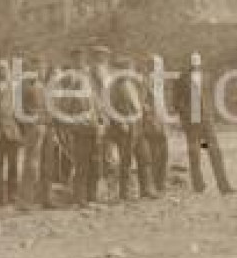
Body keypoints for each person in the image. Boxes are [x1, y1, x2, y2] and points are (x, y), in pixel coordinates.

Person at [171, 51, 234, 194]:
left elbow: (210, 96)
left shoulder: (207, 76)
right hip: (192, 123)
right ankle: (198, 186)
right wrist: (186, 114)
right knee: (195, 153)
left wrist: (211, 112)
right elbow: (176, 101)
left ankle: (224, 186)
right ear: (189, 61)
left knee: (214, 151)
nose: (195, 62)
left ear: (201, 61)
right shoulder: (182, 78)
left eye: (197, 59)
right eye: (192, 59)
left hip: (207, 120)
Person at [57, 46, 105, 207]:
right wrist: (68, 121)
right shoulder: (69, 78)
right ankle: (80, 198)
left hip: (94, 125)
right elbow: (64, 103)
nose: (80, 62)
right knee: (82, 164)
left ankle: (92, 196)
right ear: (72, 61)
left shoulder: (91, 77)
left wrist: (101, 120)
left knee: (96, 162)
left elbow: (98, 101)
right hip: (79, 126)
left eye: (82, 59)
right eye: (76, 59)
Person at [106, 54, 156, 200]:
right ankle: (124, 192)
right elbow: (110, 108)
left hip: (138, 124)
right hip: (125, 127)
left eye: (130, 68)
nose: (130, 71)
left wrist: (143, 107)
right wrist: (121, 122)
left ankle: (146, 189)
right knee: (126, 160)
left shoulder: (133, 84)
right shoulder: (114, 87)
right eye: (127, 68)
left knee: (144, 156)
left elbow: (138, 102)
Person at [0, 59, 22, 206]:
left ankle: (13, 194)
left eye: (4, 69)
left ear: (8, 71)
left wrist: (21, 130)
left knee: (13, 165)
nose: (2, 72)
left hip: (12, 131)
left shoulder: (15, 88)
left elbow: (20, 111)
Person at [16, 60, 49, 209]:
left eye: (42, 68)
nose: (40, 71)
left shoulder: (42, 86)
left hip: (45, 126)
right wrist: (28, 124)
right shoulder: (24, 86)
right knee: (31, 164)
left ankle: (42, 198)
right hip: (33, 128)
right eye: (36, 68)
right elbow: (18, 111)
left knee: (46, 164)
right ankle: (25, 200)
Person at [141, 52, 170, 193]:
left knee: (163, 153)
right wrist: (149, 114)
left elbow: (162, 102)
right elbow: (142, 102)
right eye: (153, 65)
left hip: (162, 121)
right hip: (151, 123)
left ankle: (161, 183)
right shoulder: (145, 81)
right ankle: (153, 185)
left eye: (158, 65)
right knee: (153, 154)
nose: (156, 68)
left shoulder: (160, 82)